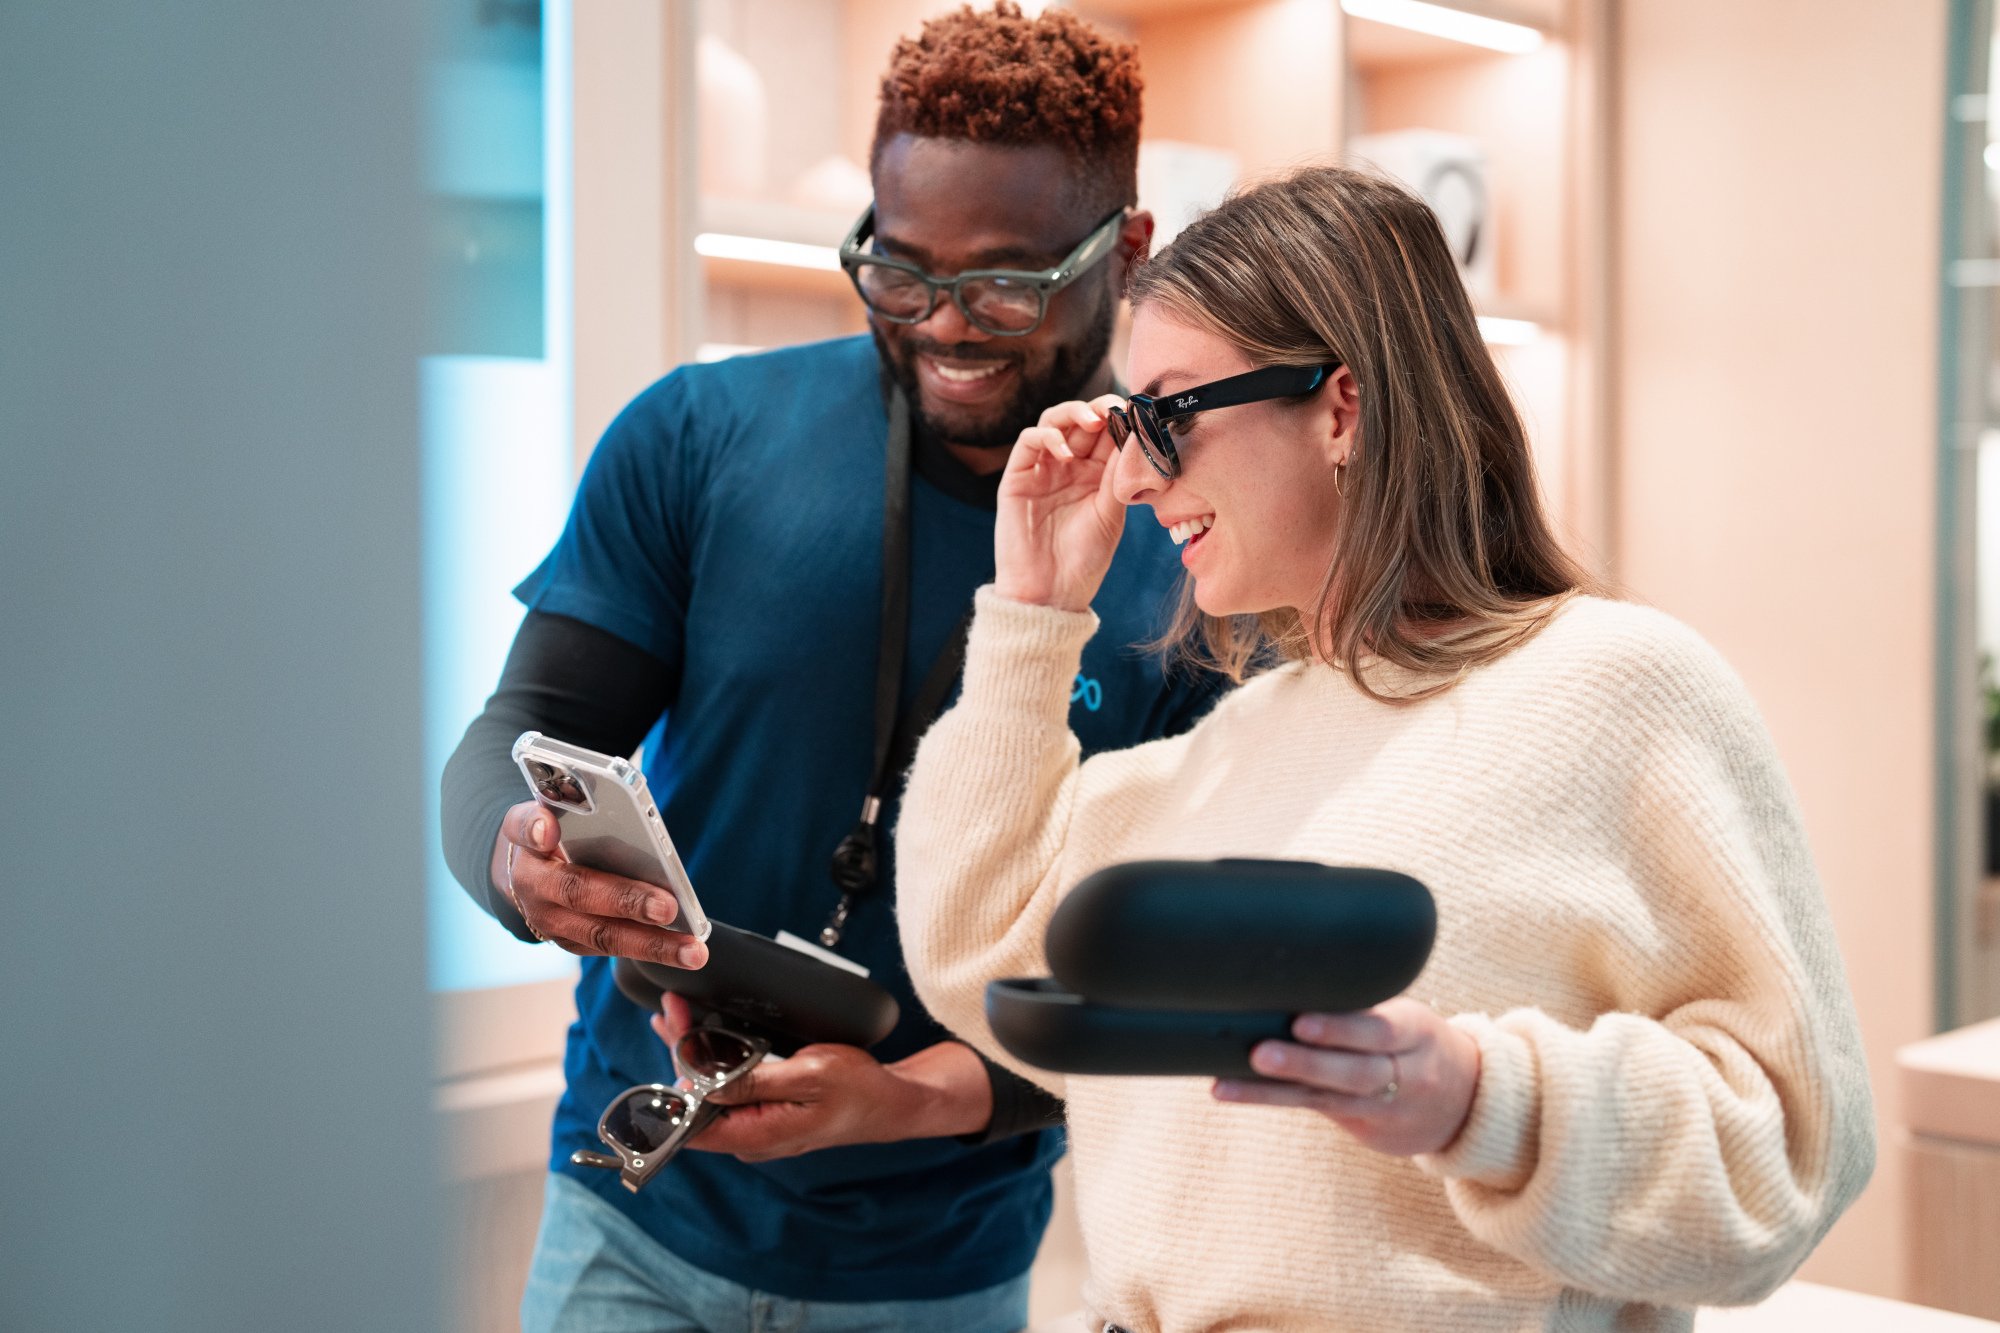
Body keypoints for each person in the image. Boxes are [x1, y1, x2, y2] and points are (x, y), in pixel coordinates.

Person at [895, 163, 1877, 1333]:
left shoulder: (1617, 688)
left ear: (1340, 407)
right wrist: (1033, 611)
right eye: (1124, 426)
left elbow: (1792, 1152)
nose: (1138, 478)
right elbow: (976, 950)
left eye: (1166, 415)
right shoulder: (1238, 738)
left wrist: (1478, 1099)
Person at [440, 6, 1223, 1331]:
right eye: (900, 271)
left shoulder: (1203, 553)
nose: (943, 325)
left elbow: (1180, 994)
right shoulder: (699, 436)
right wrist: (517, 861)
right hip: (628, 1221)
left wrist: (914, 1097)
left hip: (939, 1271)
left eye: (1006, 286)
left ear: (1128, 251)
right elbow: (513, 734)